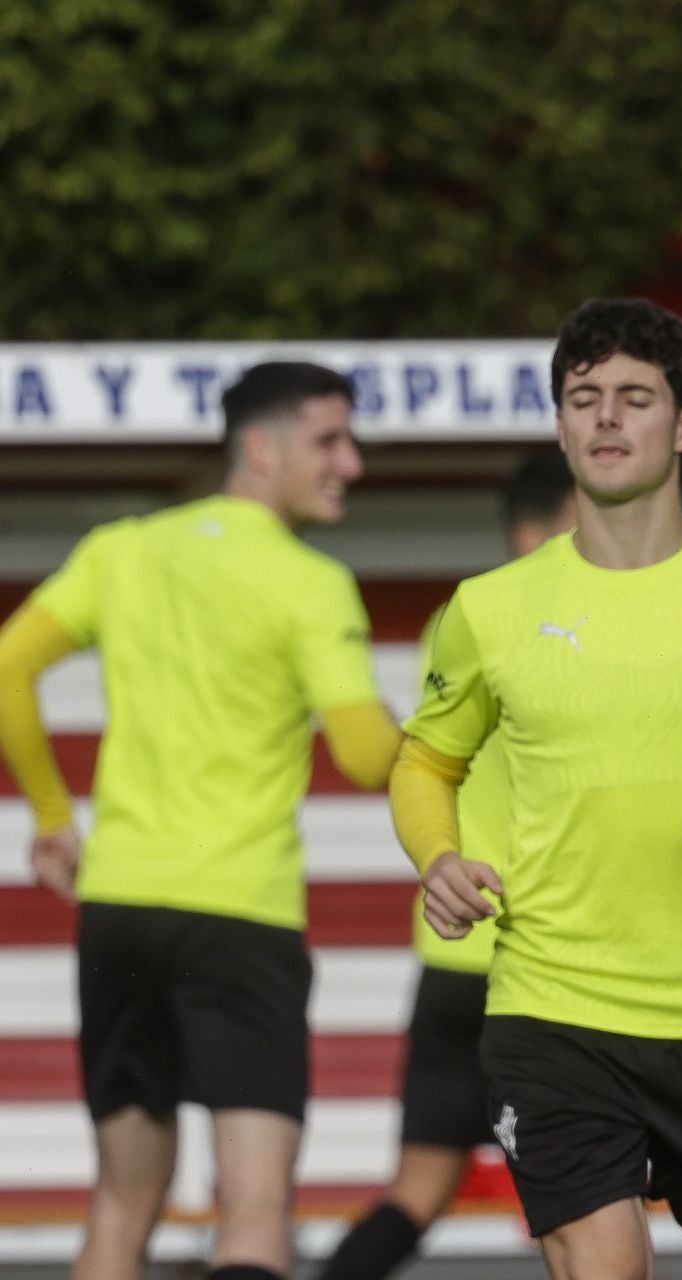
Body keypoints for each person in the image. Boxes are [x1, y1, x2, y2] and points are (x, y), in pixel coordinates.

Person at [388, 298, 682, 1280]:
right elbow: (424, 761)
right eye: (583, 397)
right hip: (552, 1009)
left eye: (634, 397)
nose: (606, 417)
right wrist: (436, 856)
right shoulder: (489, 607)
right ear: (560, 424)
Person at [0, 362, 399, 1280]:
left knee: (119, 1205)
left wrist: (53, 818)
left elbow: (12, 670)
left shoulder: (122, 549)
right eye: (329, 441)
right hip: (240, 917)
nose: (354, 461)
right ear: (260, 448)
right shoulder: (310, 583)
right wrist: (451, 732)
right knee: (254, 1211)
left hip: (120, 912)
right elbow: (366, 757)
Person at [318, 448, 578, 1280]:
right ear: (533, 531)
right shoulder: (578, 629)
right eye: (589, 519)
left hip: (451, 956)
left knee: (418, 1191)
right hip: (547, 960)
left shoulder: (456, 618)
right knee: (581, 1202)